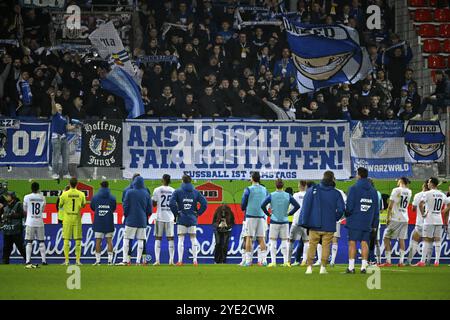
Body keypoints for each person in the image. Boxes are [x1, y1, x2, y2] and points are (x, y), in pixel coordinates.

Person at [300, 171, 345, 274]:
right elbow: (342, 210)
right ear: (332, 179)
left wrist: (305, 221)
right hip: (329, 225)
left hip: (314, 224)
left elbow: (306, 207)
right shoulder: (336, 193)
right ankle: (323, 268)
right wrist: (334, 218)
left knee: (312, 245)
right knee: (326, 246)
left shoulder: (312, 190)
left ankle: (309, 268)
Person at [344, 168, 380, 274]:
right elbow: (375, 209)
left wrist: (346, 213)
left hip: (354, 220)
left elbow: (349, 207)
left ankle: (351, 267)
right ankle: (364, 267)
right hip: (368, 221)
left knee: (352, 242)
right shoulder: (374, 191)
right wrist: (374, 224)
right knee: (365, 243)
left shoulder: (353, 188)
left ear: (358, 175)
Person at [169, 175, 207, 266]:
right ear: (190, 181)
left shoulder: (177, 191)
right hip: (192, 219)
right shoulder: (196, 192)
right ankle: (195, 261)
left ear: (182, 181)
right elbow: (205, 204)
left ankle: (180, 261)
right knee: (193, 239)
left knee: (181, 240)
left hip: (181, 218)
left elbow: (171, 203)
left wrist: (176, 213)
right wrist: (198, 213)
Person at [261, 179, 300, 267]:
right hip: (285, 221)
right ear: (283, 186)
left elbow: (262, 205)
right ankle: (286, 262)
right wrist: (290, 213)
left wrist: (268, 214)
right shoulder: (288, 195)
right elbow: (297, 206)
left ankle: (273, 262)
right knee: (285, 242)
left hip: (274, 221)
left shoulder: (271, 195)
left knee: (273, 241)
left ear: (276, 185)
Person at [415, 177, 450, 267]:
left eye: (429, 182)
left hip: (429, 219)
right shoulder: (441, 194)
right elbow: (448, 203)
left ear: (432, 183)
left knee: (426, 239)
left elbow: (420, 204)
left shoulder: (427, 193)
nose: (428, 184)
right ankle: (437, 261)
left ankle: (422, 261)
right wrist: (444, 210)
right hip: (438, 219)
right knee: (437, 239)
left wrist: (423, 214)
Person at [119, 176, 152, 266]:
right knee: (141, 240)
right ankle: (138, 261)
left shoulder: (129, 192)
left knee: (126, 239)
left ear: (134, 182)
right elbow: (150, 209)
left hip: (130, 219)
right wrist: (145, 216)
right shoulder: (146, 193)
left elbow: (125, 205)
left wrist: (126, 215)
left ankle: (126, 260)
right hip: (142, 220)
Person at [380, 177, 412, 267]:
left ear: (401, 181)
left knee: (386, 238)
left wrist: (388, 217)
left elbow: (390, 206)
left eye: (398, 180)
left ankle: (388, 261)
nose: (397, 182)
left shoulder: (396, 190)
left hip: (395, 219)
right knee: (401, 239)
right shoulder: (409, 191)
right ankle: (401, 262)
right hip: (405, 219)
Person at [241, 171, 269, 267]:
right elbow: (267, 202)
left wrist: (243, 207)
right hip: (261, 216)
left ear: (252, 178)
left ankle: (248, 261)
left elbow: (243, 203)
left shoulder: (248, 189)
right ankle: (264, 260)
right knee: (261, 238)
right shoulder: (264, 189)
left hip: (250, 216)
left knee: (248, 237)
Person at [59, 178, 86, 266]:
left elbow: (60, 205)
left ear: (69, 184)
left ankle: (67, 261)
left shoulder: (64, 194)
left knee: (66, 239)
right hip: (77, 218)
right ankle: (78, 261)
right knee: (78, 240)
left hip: (67, 218)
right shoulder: (81, 194)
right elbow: (83, 205)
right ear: (77, 184)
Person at [50, 92, 75, 179]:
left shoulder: (64, 118)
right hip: (56, 138)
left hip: (64, 138)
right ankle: (54, 173)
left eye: (59, 105)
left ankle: (65, 173)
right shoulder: (55, 115)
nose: (58, 106)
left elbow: (68, 128)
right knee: (56, 156)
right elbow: (53, 108)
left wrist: (76, 126)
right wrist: (53, 99)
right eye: (57, 105)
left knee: (66, 156)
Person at [90, 180, 116, 266]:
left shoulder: (95, 197)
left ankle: (98, 261)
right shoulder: (112, 197)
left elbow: (92, 207)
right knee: (109, 241)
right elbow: (113, 208)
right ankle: (109, 261)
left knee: (98, 241)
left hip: (98, 221)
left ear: (100, 186)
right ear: (108, 186)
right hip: (108, 220)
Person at [152, 174, 176, 265]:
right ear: (169, 181)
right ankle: (171, 260)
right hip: (170, 217)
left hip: (159, 217)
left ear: (162, 180)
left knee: (158, 238)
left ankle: (157, 260)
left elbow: (154, 204)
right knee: (171, 239)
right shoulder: (173, 191)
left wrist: (154, 200)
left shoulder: (157, 190)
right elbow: (174, 204)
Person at [23, 182, 46, 268]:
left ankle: (28, 261)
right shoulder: (42, 197)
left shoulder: (27, 197)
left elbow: (24, 209)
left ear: (31, 188)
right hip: (39, 221)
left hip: (30, 222)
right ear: (38, 188)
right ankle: (44, 260)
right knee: (41, 242)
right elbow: (43, 209)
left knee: (29, 242)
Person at [407, 181, 429, 265]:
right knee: (427, 242)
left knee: (414, 241)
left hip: (420, 223)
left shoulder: (418, 195)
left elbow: (413, 208)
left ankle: (408, 261)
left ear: (423, 185)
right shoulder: (432, 195)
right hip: (430, 223)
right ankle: (425, 261)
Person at [288, 181, 309, 266]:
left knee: (291, 241)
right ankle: (304, 261)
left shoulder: (295, 195)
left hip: (296, 221)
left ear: (299, 185)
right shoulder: (308, 195)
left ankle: (288, 261)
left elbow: (291, 208)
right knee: (306, 242)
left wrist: (289, 213)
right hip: (305, 221)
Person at [1, 191, 26, 264]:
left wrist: (11, 215)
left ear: (12, 197)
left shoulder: (18, 205)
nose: (7, 197)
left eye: (8, 196)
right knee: (6, 248)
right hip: (7, 230)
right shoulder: (5, 206)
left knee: (20, 247)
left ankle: (27, 260)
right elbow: (3, 216)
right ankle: (5, 261)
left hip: (16, 230)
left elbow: (21, 215)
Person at [368, 179, 384, 265]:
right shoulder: (378, 193)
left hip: (368, 220)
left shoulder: (367, 193)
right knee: (376, 241)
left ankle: (369, 259)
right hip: (376, 221)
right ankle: (377, 260)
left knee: (367, 240)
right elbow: (381, 209)